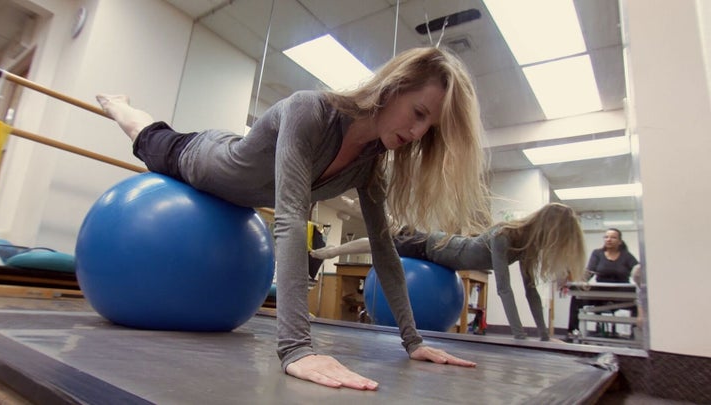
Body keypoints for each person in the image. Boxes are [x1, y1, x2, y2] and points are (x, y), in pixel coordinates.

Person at [96, 46, 491, 391]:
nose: (418, 131)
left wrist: (413, 341)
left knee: (147, 135)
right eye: (418, 113)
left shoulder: (371, 167)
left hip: (242, 193)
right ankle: (118, 102)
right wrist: (297, 348)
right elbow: (288, 219)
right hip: (204, 161)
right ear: (393, 87)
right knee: (144, 135)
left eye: (429, 126)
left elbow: (384, 251)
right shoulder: (311, 111)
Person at [312, 203, 586, 341]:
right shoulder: (504, 236)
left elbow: (530, 291)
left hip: (440, 252)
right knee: (380, 242)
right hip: (431, 247)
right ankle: (333, 250)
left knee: (393, 230)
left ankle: (368, 213)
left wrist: (546, 337)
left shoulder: (523, 247)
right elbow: (504, 289)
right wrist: (519, 337)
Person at [566, 228, 640, 339]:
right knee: (576, 298)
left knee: (638, 303)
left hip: (621, 294)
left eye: (613, 237)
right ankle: (573, 331)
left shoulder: (626, 256)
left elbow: (638, 271)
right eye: (606, 237)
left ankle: (636, 334)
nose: (609, 239)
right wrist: (582, 282)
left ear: (619, 241)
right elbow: (589, 271)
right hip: (601, 293)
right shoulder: (597, 253)